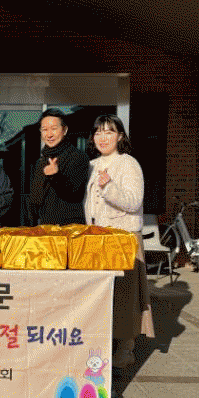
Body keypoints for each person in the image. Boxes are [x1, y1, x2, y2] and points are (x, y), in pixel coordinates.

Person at [84, 114, 155, 369]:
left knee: (125, 294)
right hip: (97, 238)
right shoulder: (91, 165)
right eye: (98, 132)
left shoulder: (128, 164)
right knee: (103, 294)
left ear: (120, 136)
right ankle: (104, 344)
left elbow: (134, 201)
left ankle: (126, 349)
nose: (103, 138)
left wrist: (109, 187)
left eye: (109, 132)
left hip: (123, 238)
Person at [28, 108, 90, 225]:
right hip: (43, 226)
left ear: (64, 130)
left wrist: (56, 176)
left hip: (68, 228)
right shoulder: (41, 161)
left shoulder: (78, 157)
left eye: (54, 129)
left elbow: (75, 193)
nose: (49, 134)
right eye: (44, 129)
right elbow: (34, 199)